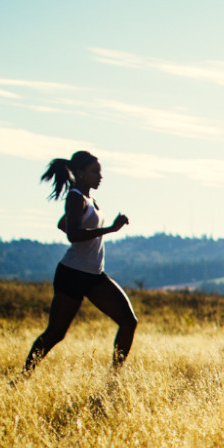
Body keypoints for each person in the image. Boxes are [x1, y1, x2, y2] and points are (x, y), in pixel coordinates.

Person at [23, 150, 138, 373]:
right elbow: (73, 234)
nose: (100, 176)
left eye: (100, 172)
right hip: (73, 274)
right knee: (55, 333)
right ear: (80, 173)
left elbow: (63, 224)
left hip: (94, 275)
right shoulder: (75, 196)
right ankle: (21, 379)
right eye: (95, 171)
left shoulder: (88, 199)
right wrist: (111, 229)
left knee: (129, 321)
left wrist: (90, 228)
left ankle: (113, 378)